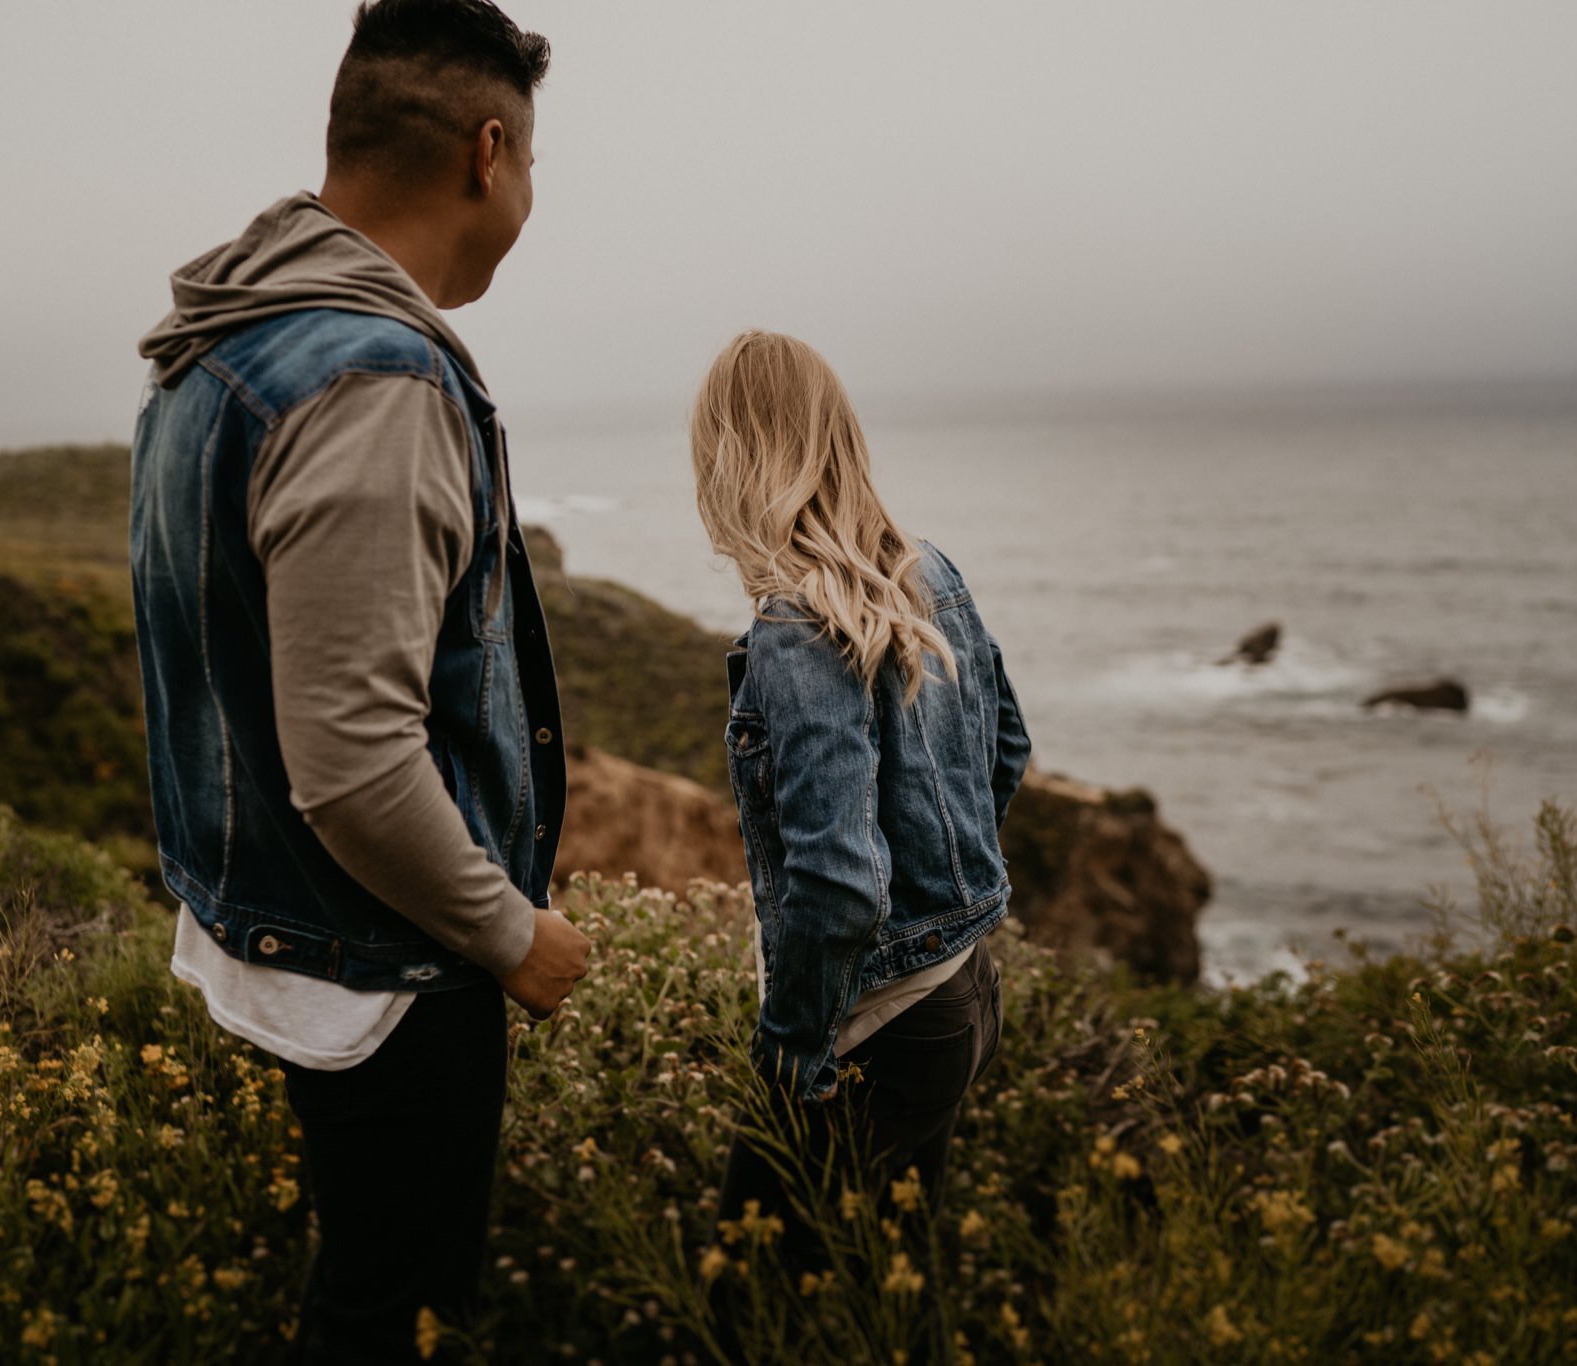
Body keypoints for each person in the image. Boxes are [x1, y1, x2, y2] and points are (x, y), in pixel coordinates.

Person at [126, 3, 589, 1359]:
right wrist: (517, 933)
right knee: (397, 1313)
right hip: (383, 964)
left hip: (266, 923)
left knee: (362, 1278)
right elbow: (354, 759)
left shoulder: (216, 350)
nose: (529, 198)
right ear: (487, 152)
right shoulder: (375, 379)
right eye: (536, 165)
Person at [688, 331, 1030, 1331]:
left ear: (728, 458)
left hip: (864, 1027)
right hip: (960, 991)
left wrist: (792, 1041)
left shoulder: (794, 630)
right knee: (888, 1293)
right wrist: (943, 894)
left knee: (746, 1308)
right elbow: (1005, 748)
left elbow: (838, 882)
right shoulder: (932, 574)